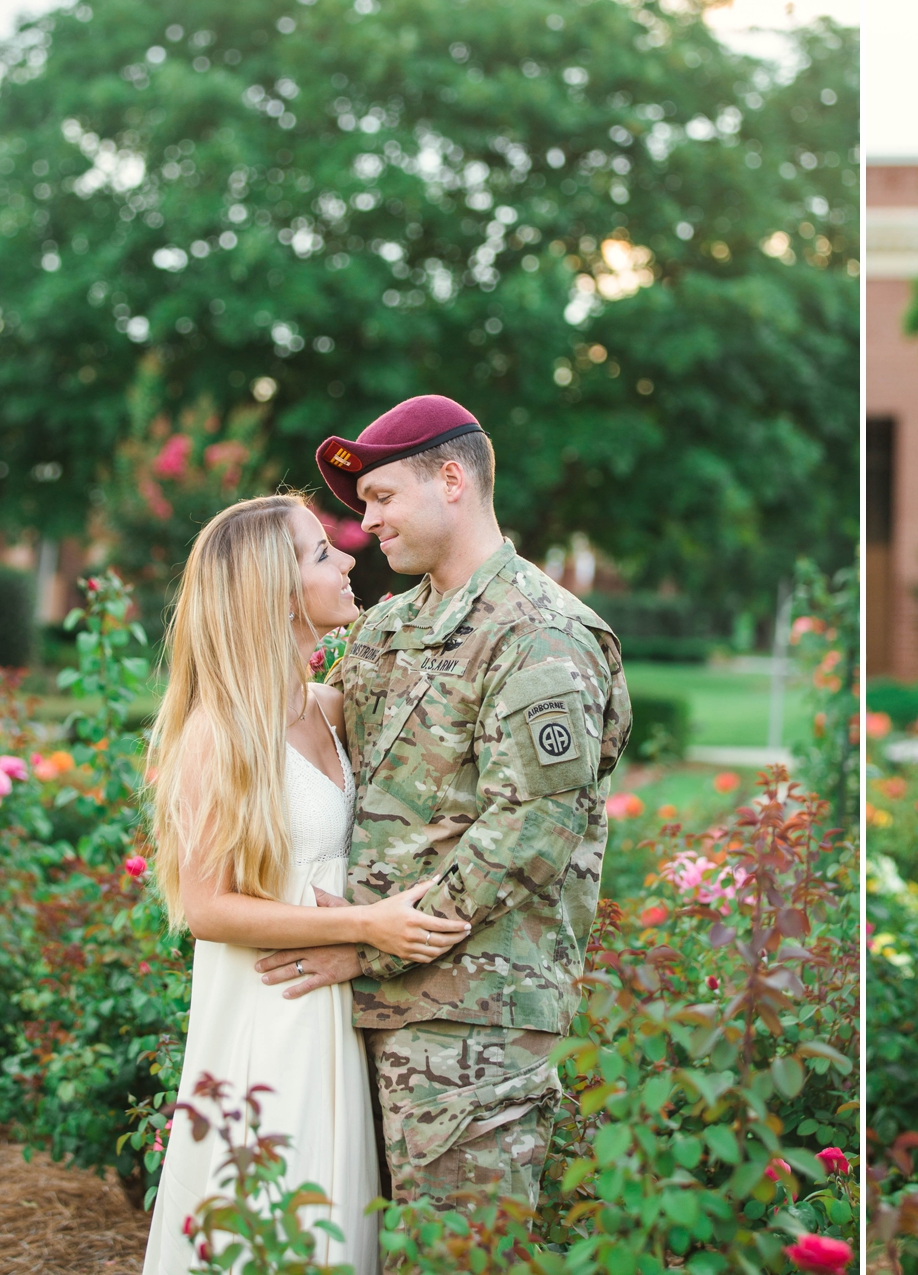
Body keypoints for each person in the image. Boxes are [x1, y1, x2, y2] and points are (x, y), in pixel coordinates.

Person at [252, 395, 632, 1221]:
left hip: (474, 1025)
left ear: (451, 479)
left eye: (382, 498)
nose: (368, 524)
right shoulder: (389, 628)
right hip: (366, 1010)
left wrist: (366, 944)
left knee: (453, 1253)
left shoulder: (540, 636)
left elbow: (530, 834)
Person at [142, 494, 472, 1274]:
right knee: (274, 1221)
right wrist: (364, 926)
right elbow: (203, 905)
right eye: (323, 552)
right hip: (269, 1017)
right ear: (272, 590)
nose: (350, 559)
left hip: (335, 1007)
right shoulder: (219, 733)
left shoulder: (329, 708)